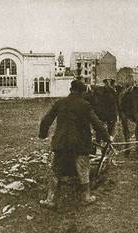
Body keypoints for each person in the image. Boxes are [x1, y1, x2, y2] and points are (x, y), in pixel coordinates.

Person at [38, 80, 111, 208]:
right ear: (82, 92)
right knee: (83, 169)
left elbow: (46, 120)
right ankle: (86, 197)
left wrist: (43, 134)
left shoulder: (60, 103)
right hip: (80, 144)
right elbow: (97, 123)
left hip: (62, 143)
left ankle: (50, 199)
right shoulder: (85, 105)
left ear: (71, 90)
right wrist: (107, 137)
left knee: (56, 170)